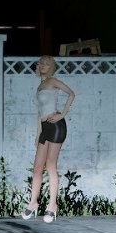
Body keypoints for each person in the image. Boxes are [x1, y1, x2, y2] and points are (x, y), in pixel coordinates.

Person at [21, 54, 75, 223]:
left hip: (57, 126)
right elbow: (40, 113)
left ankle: (52, 206)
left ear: (51, 67)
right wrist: (38, 134)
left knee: (51, 165)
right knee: (37, 168)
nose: (43, 66)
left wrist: (62, 115)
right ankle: (33, 203)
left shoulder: (53, 81)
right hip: (45, 127)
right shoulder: (40, 86)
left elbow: (71, 94)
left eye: (46, 64)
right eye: (41, 63)